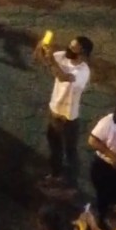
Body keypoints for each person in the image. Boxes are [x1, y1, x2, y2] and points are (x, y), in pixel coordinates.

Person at [37, 35, 92, 187]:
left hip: (68, 119)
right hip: (54, 111)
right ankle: (55, 175)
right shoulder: (62, 56)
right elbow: (40, 59)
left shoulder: (83, 71)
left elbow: (63, 77)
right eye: (70, 45)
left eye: (73, 48)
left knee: (70, 151)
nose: (69, 49)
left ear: (82, 52)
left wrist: (51, 60)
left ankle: (71, 182)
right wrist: (41, 48)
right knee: (54, 147)